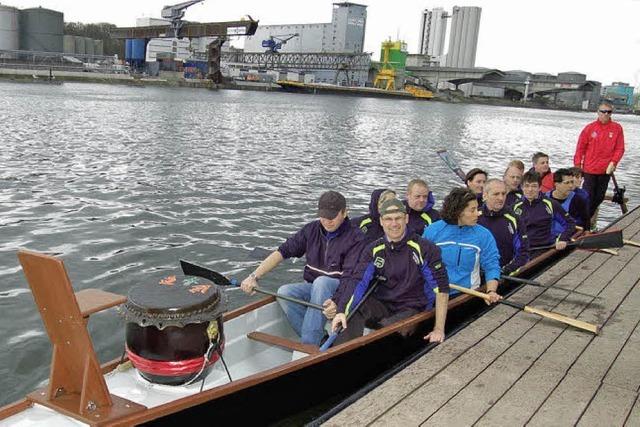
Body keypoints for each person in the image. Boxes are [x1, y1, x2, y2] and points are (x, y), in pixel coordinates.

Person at [240, 191, 362, 345]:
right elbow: (282, 252)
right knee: (284, 292)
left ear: (345, 213)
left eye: (332, 217)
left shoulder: (355, 238)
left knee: (322, 282)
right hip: (314, 288)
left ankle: (308, 345)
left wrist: (338, 302)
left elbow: (351, 277)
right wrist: (253, 277)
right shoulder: (311, 230)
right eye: (323, 216)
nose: (326, 221)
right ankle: (319, 341)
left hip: (340, 290)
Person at [331, 199, 450, 345]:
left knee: (386, 331)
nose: (394, 224)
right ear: (381, 221)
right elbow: (357, 281)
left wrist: (438, 329)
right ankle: (342, 351)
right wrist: (342, 310)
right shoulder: (373, 249)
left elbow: (441, 289)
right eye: (388, 219)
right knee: (353, 311)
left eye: (398, 218)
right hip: (384, 304)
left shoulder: (426, 249)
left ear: (406, 218)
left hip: (412, 306)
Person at [422, 187, 502, 303]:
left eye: (477, 209)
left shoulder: (483, 235)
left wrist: (491, 291)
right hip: (435, 292)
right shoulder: (432, 231)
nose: (478, 213)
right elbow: (420, 263)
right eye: (472, 210)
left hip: (467, 294)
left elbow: (491, 265)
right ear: (458, 211)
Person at [574, 101, 625, 221]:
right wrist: (577, 166)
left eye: (609, 112)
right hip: (589, 169)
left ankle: (584, 221)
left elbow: (620, 148)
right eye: (603, 112)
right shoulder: (590, 128)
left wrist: (614, 162)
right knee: (587, 196)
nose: (606, 114)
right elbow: (580, 148)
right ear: (598, 112)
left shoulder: (617, 128)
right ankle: (580, 221)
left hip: (605, 170)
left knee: (599, 197)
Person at [513, 171, 575, 257]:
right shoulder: (515, 207)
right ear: (522, 187)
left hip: (544, 248)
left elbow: (570, 223)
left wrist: (562, 239)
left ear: (540, 188)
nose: (530, 190)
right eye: (526, 186)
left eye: (534, 186)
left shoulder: (551, 204)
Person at [478, 179, 530, 276]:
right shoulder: (474, 218)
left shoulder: (514, 219)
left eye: (503, 194)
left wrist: (507, 270)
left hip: (502, 273)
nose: (501, 198)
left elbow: (523, 253)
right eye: (496, 194)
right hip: (476, 274)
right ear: (484, 196)